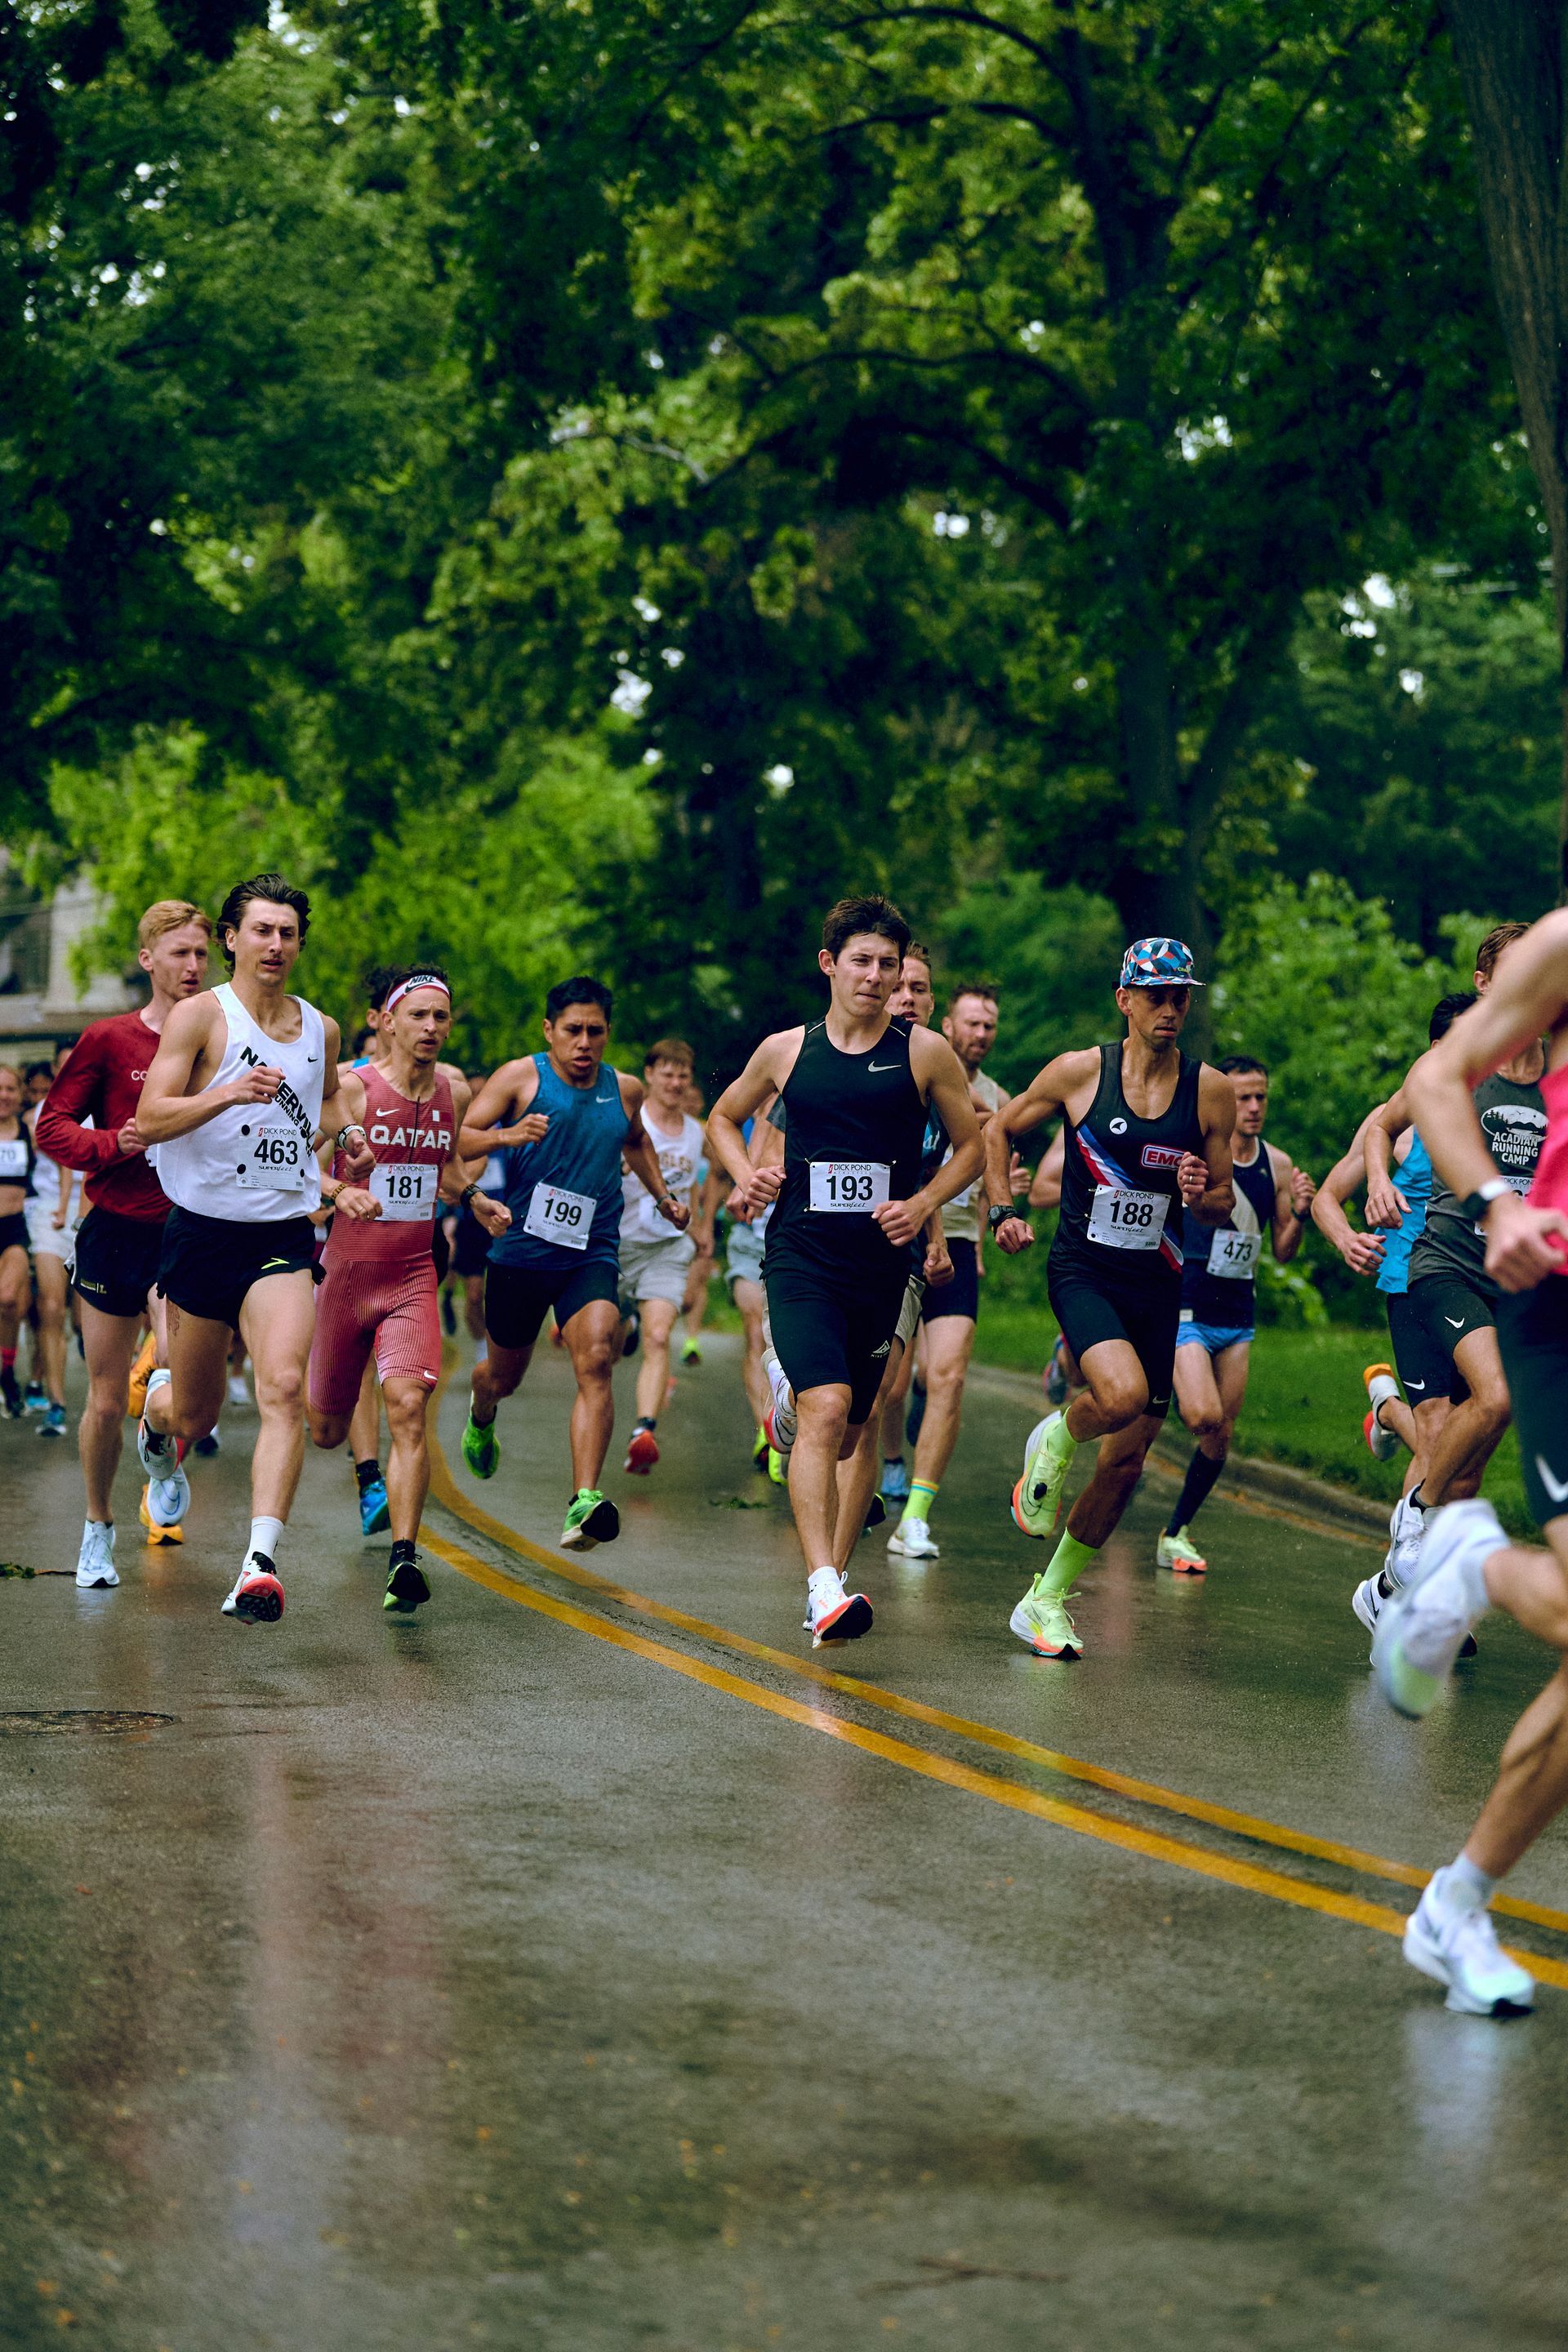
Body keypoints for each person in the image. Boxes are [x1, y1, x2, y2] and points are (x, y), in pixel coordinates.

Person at [1370, 909, 1568, 2016]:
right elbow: (1435, 1080)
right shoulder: (1562, 947)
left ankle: (1457, 1904)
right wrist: (1495, 1202)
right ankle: (1471, 1560)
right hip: (1555, 1297)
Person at [708, 895, 982, 1647]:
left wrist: (922, 1200)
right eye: (860, 961)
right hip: (801, 1254)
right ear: (830, 965)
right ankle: (824, 1585)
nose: (874, 976)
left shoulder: (924, 1054)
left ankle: (823, 1559)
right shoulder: (786, 1051)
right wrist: (744, 1175)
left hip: (882, 1265)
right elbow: (722, 1117)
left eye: (888, 965)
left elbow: (972, 1149)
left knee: (857, 1430)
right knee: (829, 1409)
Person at [984, 938, 1236, 1659]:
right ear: (1124, 999)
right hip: (1083, 1272)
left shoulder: (1209, 1091)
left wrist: (1200, 1194)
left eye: (1181, 995)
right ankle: (1059, 1434)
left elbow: (1219, 1202)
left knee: (1127, 1461)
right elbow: (1000, 1128)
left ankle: (1045, 1600)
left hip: (1159, 1281)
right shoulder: (1080, 1073)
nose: (1170, 1007)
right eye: (1155, 994)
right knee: (1119, 1396)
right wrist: (1004, 1211)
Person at [136, 873, 375, 1624]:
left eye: (288, 933)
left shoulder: (320, 1028)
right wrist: (225, 1095)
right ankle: (154, 1425)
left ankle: (258, 1565)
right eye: (262, 931)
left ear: (300, 944)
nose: (276, 945)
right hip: (202, 1234)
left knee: (281, 1390)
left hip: (281, 1234)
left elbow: (328, 1101)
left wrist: (353, 1135)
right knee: (197, 1418)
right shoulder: (202, 1017)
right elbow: (150, 1117)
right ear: (233, 939)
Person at [457, 977, 690, 1549]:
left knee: (598, 1358)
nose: (584, 1042)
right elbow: (458, 1142)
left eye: (596, 1031)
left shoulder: (625, 1088)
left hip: (591, 1251)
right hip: (521, 1252)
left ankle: (583, 1499)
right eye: (573, 1031)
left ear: (608, 1033)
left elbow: (635, 1142)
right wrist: (511, 1135)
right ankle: (482, 1407)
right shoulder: (521, 1077)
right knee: (503, 1376)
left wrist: (662, 1196)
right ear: (549, 1031)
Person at [307, 969, 510, 1612]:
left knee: (407, 1408)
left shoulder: (453, 1088)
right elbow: (299, 1168)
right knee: (326, 1430)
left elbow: (446, 1168)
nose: (430, 1028)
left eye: (440, 1018)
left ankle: (404, 1557)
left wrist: (474, 1198)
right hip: (345, 1276)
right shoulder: (351, 1089)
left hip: (412, 1275)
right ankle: (362, 1476)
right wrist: (341, 1191)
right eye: (418, 1016)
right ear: (387, 1021)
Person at [35, 902, 213, 1588]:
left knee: (176, 1375)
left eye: (201, 954)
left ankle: (162, 1447)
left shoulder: (221, 1037)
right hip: (114, 1229)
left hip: (187, 1229)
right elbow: (53, 1126)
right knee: (107, 1400)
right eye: (179, 954)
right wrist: (112, 1143)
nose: (193, 966)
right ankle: (96, 1529)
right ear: (148, 960)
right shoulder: (109, 1039)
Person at [1362, 930, 1544, 1593]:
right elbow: (1382, 1125)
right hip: (1445, 1267)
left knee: (1473, 1454)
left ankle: (1391, 1595)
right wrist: (1380, 1183)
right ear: (1485, 981)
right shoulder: (1456, 1063)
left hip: (1519, 1286)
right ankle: (1415, 1516)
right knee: (1489, 1399)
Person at [1156, 1058, 1316, 1572]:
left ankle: (1175, 1532)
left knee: (1220, 1434)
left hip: (1238, 1311)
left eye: (1260, 1098)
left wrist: (1304, 1213)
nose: (1252, 1108)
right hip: (1188, 1302)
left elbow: (1285, 1249)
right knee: (1201, 1414)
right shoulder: (1200, 1155)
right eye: (1242, 1098)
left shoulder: (1281, 1164)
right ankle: (1144, 1396)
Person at [887, 982, 1010, 1561]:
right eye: (973, 1024)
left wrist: (1003, 1210)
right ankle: (886, 1462)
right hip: (899, 1236)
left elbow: (993, 1180)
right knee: (891, 1380)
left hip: (957, 1244)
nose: (980, 1034)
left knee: (950, 1376)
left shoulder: (999, 1100)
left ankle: (914, 1514)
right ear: (949, 1024)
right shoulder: (916, 1071)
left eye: (990, 1025)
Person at [616, 1038, 705, 1473]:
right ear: (649, 1075)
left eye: (682, 1075)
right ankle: (624, 1320)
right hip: (617, 1245)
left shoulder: (695, 1131)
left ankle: (644, 1429)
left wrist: (699, 1225)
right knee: (604, 1347)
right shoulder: (631, 1121)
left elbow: (696, 1187)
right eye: (666, 1073)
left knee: (658, 1337)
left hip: (667, 1249)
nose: (675, 1082)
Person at [22, 1058, 78, 1436]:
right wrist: (60, 1205)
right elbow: (61, 1162)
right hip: (48, 1214)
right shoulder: (40, 1115)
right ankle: (56, 1403)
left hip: (93, 1213)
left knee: (84, 1324)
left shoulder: (106, 1105)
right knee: (52, 1307)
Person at [0, 1064, 33, 1419]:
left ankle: (7, 1372)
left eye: (10, 1089)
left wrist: (60, 1207)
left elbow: (63, 1167)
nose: (4, 1095)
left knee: (9, 1299)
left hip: (13, 1228)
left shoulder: (30, 1131)